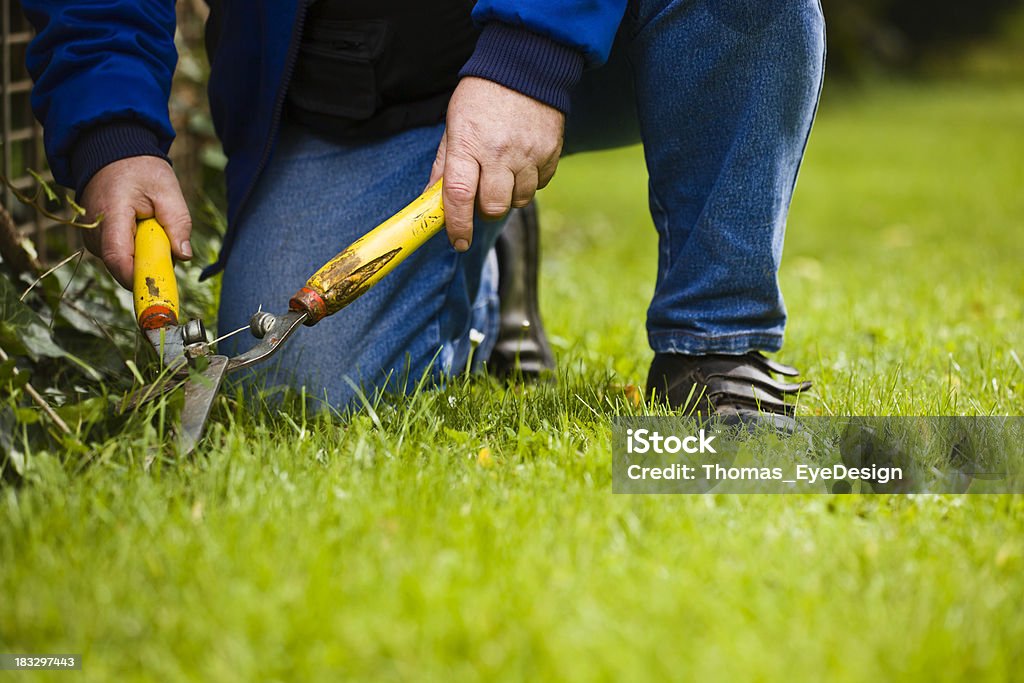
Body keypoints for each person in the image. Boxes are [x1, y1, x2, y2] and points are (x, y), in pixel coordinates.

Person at [22, 0, 823, 427]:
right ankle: (489, 243)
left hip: (588, 24)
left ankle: (715, 345)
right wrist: (111, 126)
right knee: (300, 396)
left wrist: (532, 46)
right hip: (359, 85)